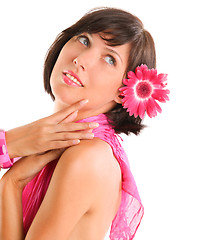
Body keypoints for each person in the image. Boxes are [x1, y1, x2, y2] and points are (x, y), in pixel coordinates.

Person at [0, 7, 169, 240]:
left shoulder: (88, 156)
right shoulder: (68, 149)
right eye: (84, 40)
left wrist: (11, 183)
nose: (81, 60)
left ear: (124, 92)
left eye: (110, 59)